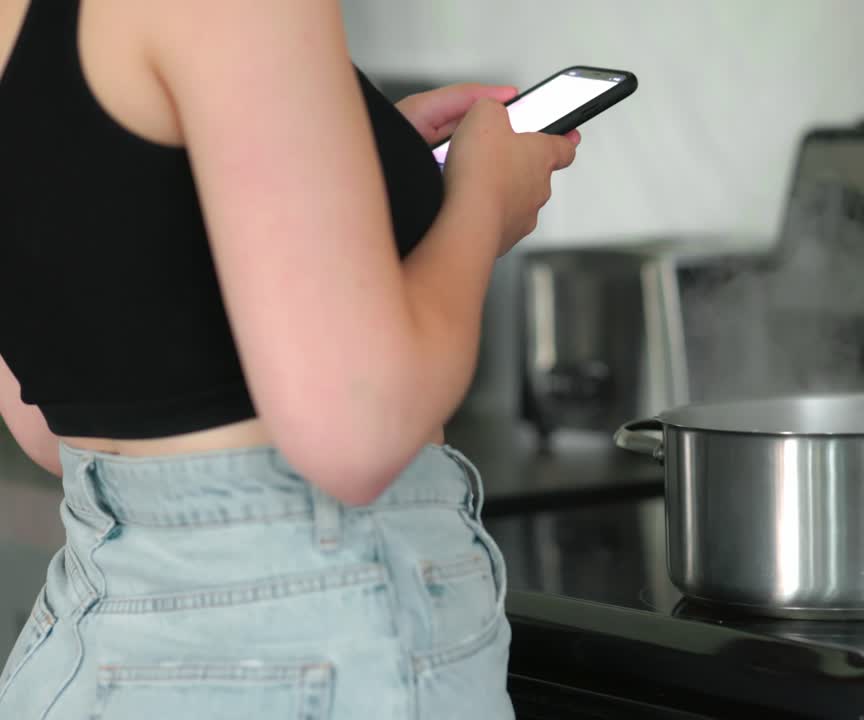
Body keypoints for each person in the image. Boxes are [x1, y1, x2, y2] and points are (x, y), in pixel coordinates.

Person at [0, 0, 580, 716]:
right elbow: (357, 431)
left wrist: (353, 170)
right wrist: (482, 196)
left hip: (78, 655)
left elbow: (49, 422)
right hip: (309, 644)